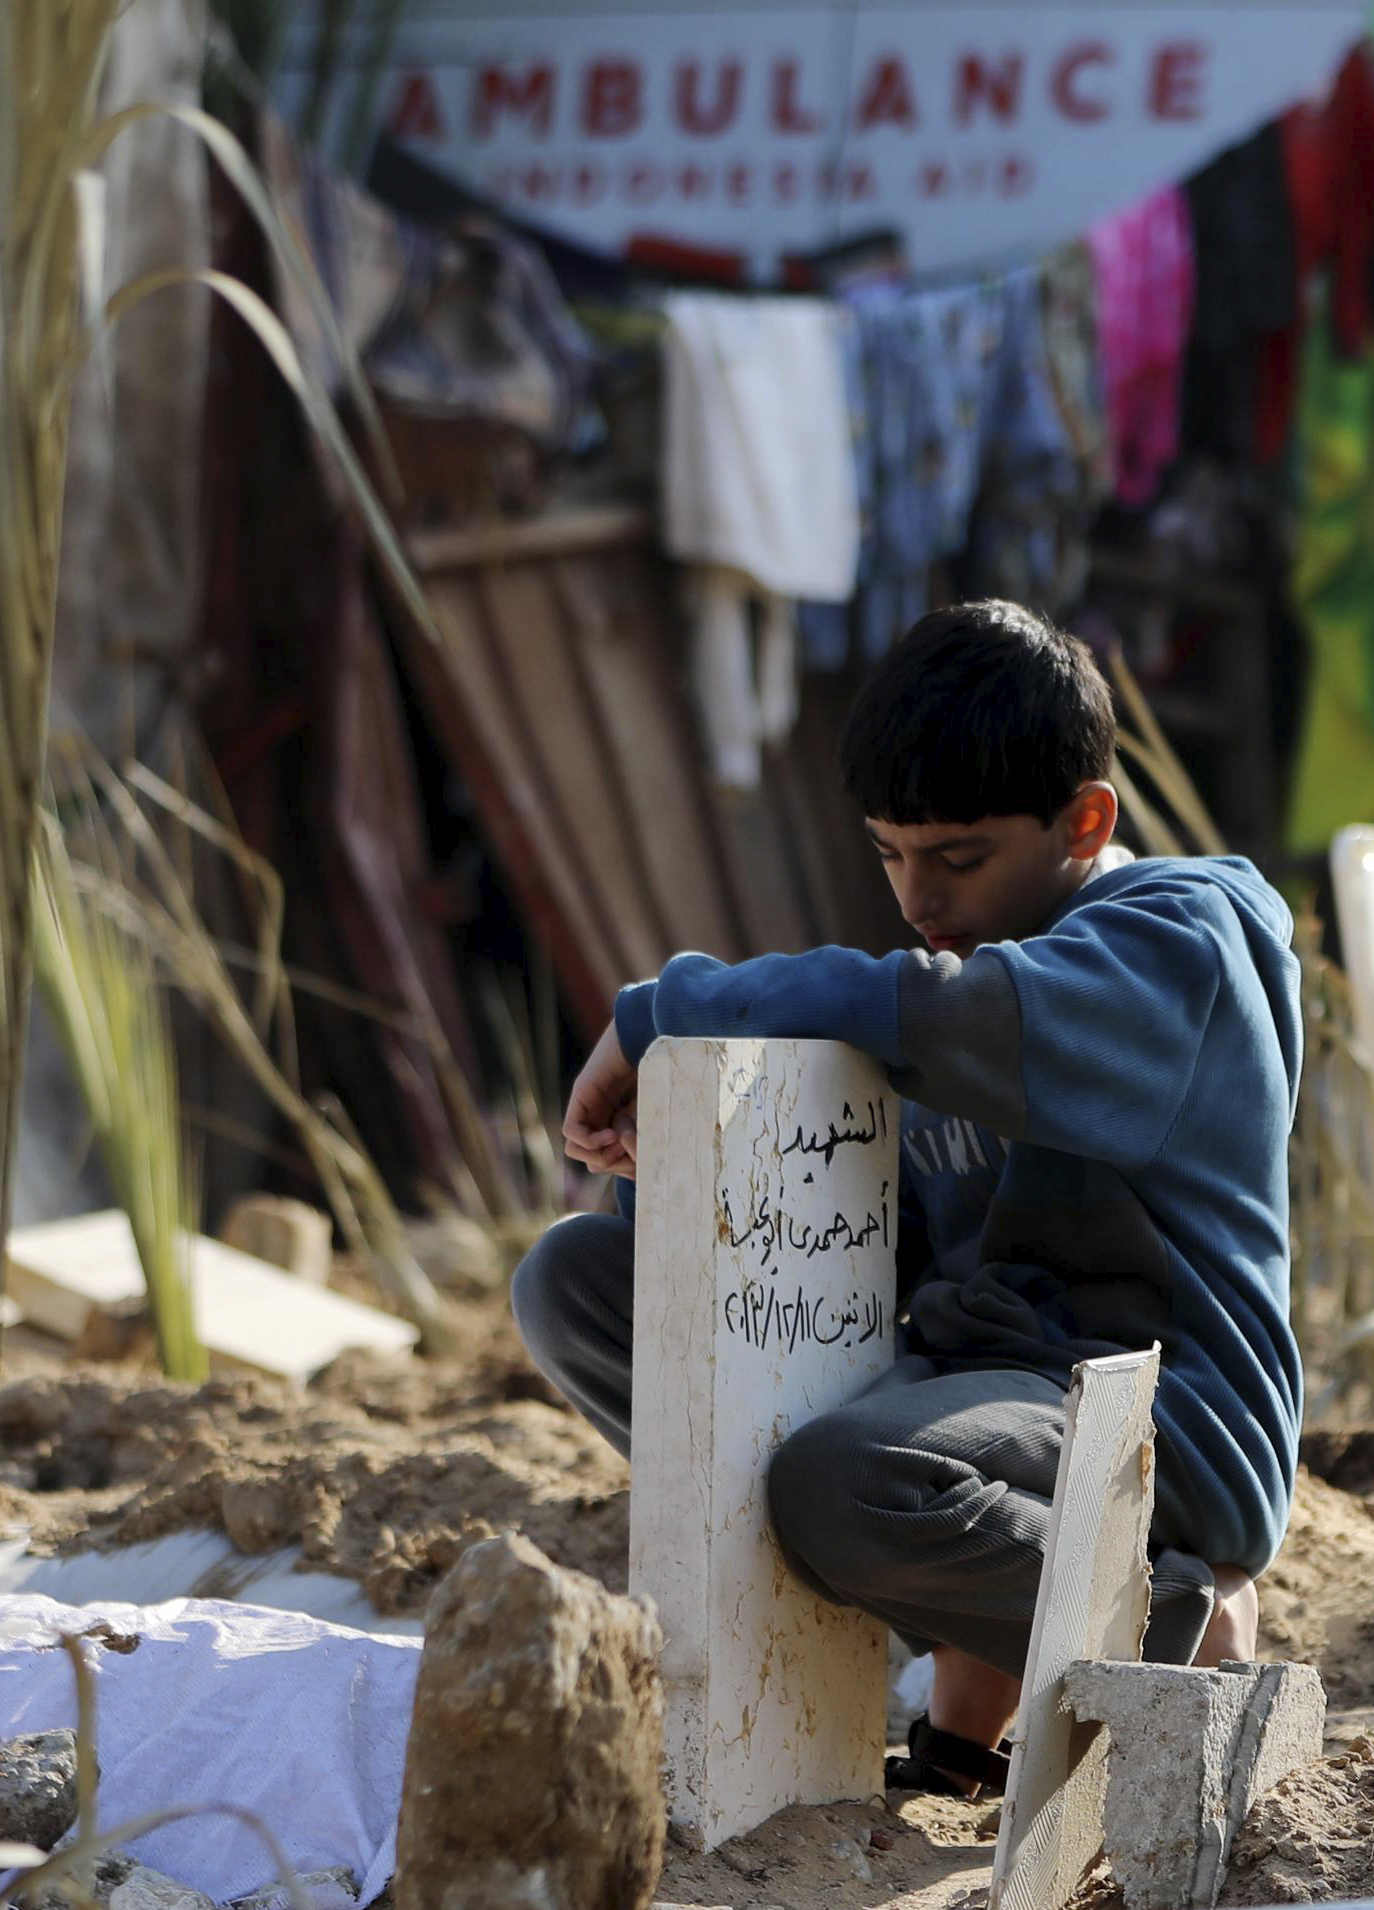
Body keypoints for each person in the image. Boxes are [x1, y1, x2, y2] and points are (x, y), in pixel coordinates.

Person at [510, 599, 1300, 1796]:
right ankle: (961, 1686)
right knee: (575, 1284)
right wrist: (684, 1195)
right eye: (889, 854)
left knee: (841, 1479)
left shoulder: (1171, 939)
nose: (917, 899)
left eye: (958, 858)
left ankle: (1181, 1620)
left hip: (1162, 1420)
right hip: (974, 1400)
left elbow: (944, 1013)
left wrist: (656, 1009)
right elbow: (860, 1251)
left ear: (1086, 818)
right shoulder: (951, 983)